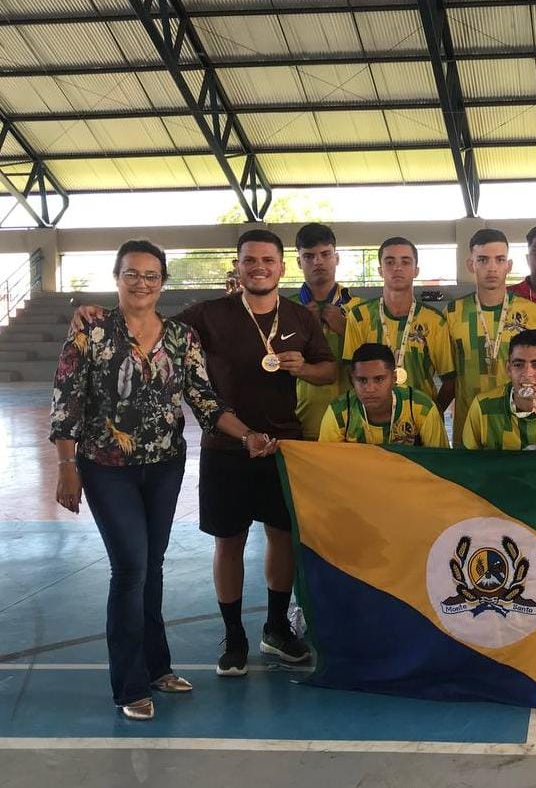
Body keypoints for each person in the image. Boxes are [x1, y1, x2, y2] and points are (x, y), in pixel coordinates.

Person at [69, 230, 337, 677]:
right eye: (249, 260)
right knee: (227, 541)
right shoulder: (207, 315)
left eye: (268, 260)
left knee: (281, 537)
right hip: (224, 445)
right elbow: (146, 317)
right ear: (237, 266)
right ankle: (233, 635)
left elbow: (328, 371)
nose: (259, 267)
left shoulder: (300, 317)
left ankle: (275, 628)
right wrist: (92, 311)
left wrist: (304, 368)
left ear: (281, 266)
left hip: (285, 445)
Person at [50, 240, 275, 720]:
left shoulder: (180, 337)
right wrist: (67, 466)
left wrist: (249, 434)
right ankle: (129, 686)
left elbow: (204, 399)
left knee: (152, 568)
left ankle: (157, 667)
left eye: (152, 276)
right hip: (106, 468)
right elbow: (66, 402)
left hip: (165, 465)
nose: (142, 283)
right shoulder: (90, 331)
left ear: (163, 282)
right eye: (133, 274)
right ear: (117, 277)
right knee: (130, 568)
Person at [444, 229, 536, 445]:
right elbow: (447, 375)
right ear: (470, 265)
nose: (492, 268)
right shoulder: (452, 313)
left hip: (521, 425)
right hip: (470, 425)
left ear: (508, 266)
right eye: (483, 260)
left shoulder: (533, 313)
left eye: (499, 260)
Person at [343, 237, 455, 412]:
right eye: (390, 262)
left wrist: (432, 414)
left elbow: (450, 381)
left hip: (420, 419)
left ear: (416, 270)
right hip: (371, 419)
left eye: (405, 261)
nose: (397, 267)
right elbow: (350, 373)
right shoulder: (359, 316)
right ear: (380, 270)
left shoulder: (434, 320)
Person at [292, 223, 364, 439]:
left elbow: (375, 361)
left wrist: (345, 329)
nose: (318, 261)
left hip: (353, 420)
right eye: (309, 256)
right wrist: (307, 329)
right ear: (298, 261)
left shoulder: (360, 309)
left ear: (337, 258)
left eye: (325, 254)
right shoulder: (287, 309)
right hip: (303, 420)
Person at [319, 343, 449, 447]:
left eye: (379, 379)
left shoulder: (422, 408)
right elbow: (327, 466)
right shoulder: (338, 412)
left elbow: (439, 462)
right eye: (362, 380)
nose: (370, 389)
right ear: (352, 380)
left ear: (394, 378)